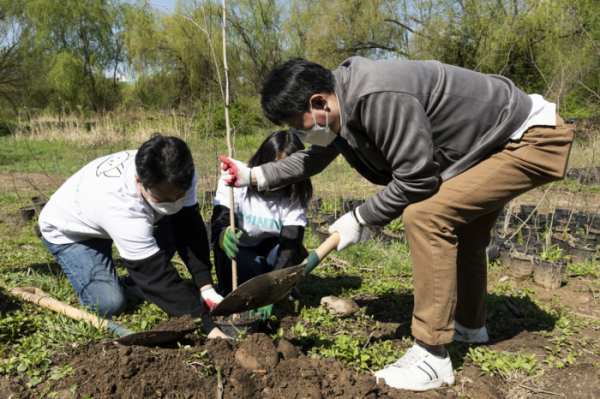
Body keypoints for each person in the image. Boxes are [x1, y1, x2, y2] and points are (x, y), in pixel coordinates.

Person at [220, 57, 574, 390]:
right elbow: (312, 157)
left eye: (299, 124)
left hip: (528, 138)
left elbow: (417, 180)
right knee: (465, 229)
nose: (299, 132)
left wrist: (360, 218)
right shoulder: (334, 107)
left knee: (427, 215)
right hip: (495, 142)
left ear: (318, 102)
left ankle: (432, 356)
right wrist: (253, 175)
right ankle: (470, 326)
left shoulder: (377, 97)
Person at [39, 135, 226, 339]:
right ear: (139, 181)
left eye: (179, 195)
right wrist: (207, 326)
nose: (174, 202)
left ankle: (132, 284)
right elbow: (153, 273)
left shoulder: (179, 173)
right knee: (110, 304)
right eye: (163, 198)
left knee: (173, 217)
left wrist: (206, 288)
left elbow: (188, 227)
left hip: (114, 216)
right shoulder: (120, 204)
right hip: (72, 231)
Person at [212, 130, 311, 302]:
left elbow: (290, 243)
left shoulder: (296, 193)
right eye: (274, 167)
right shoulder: (236, 178)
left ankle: (282, 290)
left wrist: (275, 288)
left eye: (286, 170)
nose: (278, 176)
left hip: (271, 247)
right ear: (262, 160)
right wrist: (223, 234)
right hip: (241, 247)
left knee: (291, 254)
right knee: (246, 270)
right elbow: (221, 218)